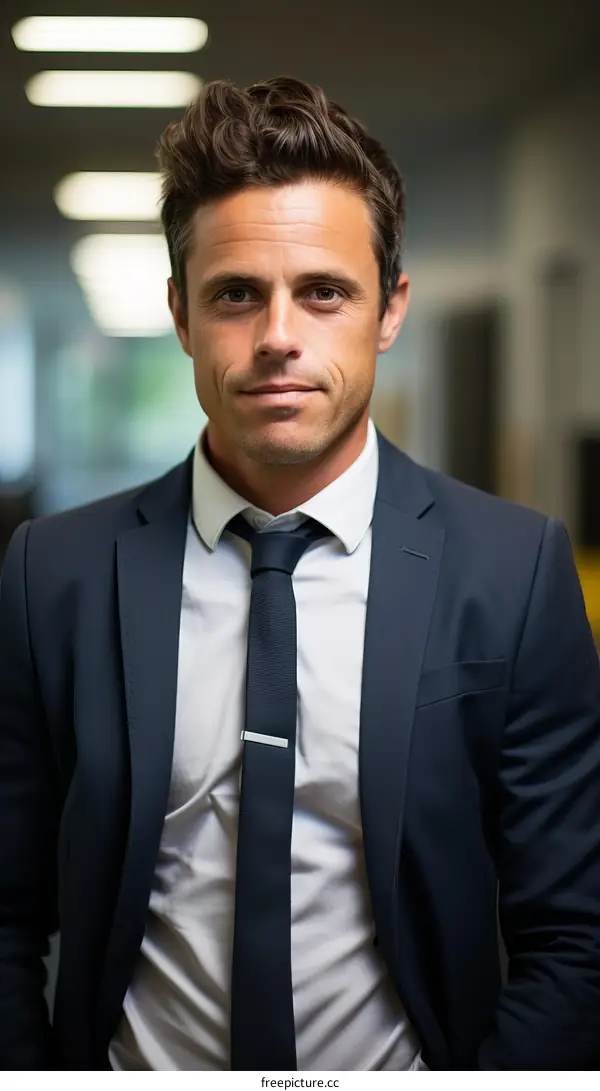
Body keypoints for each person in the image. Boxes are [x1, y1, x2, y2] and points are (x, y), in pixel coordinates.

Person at [1, 76, 600, 1074]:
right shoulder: (50, 577)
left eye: (324, 291)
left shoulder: (514, 571)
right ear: (182, 316)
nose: (279, 335)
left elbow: (575, 932)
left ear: (389, 308)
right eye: (237, 293)